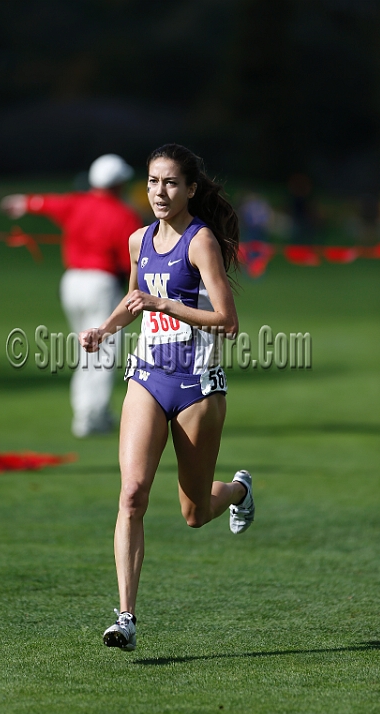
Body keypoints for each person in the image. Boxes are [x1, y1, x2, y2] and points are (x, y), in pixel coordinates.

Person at [79, 143, 255, 651]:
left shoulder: (201, 242)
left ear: (191, 189)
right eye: (153, 182)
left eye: (171, 183)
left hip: (198, 385)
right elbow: (135, 299)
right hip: (148, 377)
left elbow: (228, 321)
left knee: (195, 513)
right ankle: (126, 617)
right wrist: (105, 329)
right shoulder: (138, 239)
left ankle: (239, 490)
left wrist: (166, 303)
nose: (160, 192)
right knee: (132, 493)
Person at [0, 155, 142, 437]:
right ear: (117, 184)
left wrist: (23, 202)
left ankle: (87, 410)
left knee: (85, 349)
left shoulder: (77, 203)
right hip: (101, 283)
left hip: (71, 282)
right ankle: (93, 416)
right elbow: (131, 260)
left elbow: (46, 203)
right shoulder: (124, 214)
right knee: (103, 349)